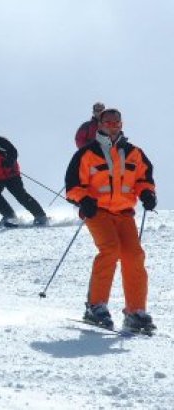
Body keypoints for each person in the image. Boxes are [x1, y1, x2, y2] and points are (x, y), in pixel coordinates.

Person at [65, 108, 157, 332]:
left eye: (117, 122)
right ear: (100, 124)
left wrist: (147, 193)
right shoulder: (87, 153)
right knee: (110, 249)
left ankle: (136, 311)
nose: (113, 125)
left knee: (134, 255)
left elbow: (144, 178)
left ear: (121, 124)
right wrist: (84, 199)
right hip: (98, 212)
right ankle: (95, 306)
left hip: (124, 213)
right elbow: (73, 186)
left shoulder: (134, 153)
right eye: (108, 122)